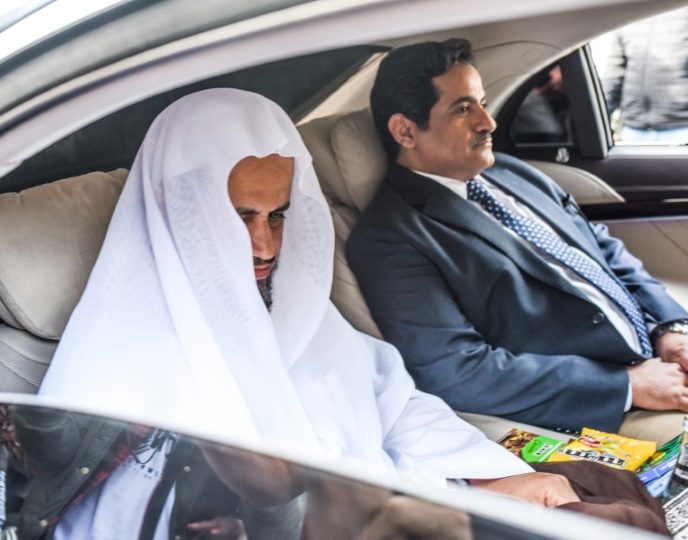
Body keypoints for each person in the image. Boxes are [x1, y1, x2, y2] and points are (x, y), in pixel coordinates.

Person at [36, 88, 667, 534]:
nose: (264, 246)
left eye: (278, 216)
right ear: (181, 211)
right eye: (239, 217)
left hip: (419, 506)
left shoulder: (292, 310)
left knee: (610, 504)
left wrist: (490, 479)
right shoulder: (114, 374)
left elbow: (395, 404)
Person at [346, 38, 688, 445]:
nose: (487, 122)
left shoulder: (509, 172)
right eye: (463, 109)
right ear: (405, 131)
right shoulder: (391, 239)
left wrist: (670, 328)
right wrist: (626, 385)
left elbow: (601, 249)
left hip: (657, 357)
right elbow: (456, 371)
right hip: (596, 411)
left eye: (482, 103)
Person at [602, 7, 688, 143]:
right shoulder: (628, 16)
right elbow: (614, 74)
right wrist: (599, 117)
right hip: (634, 129)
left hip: (680, 128)